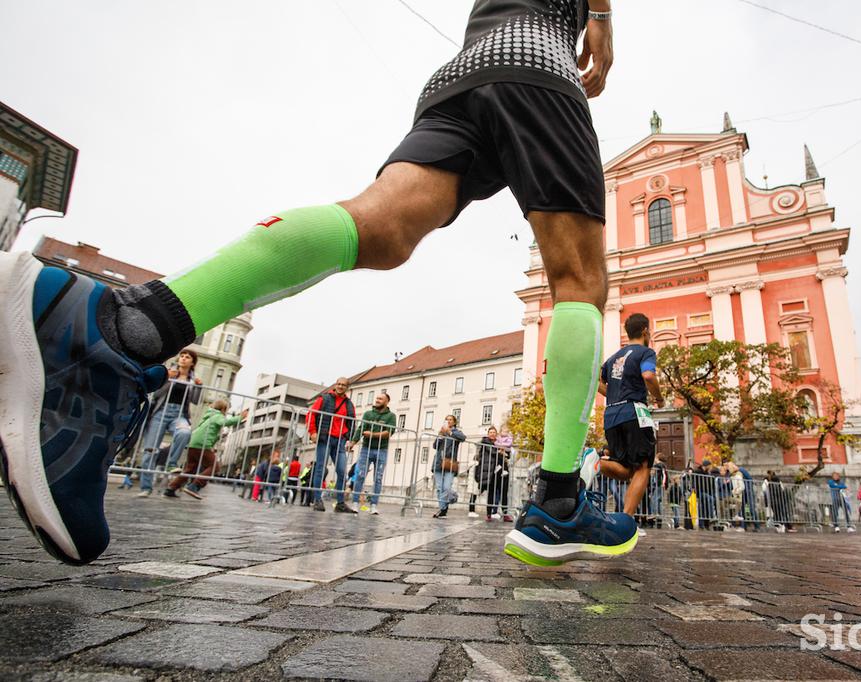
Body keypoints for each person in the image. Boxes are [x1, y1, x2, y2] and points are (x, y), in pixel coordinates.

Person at [0, 0, 627, 567]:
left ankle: (116, 323)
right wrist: (600, 22)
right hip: (539, 62)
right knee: (579, 283)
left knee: (379, 227)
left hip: (462, 72)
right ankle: (561, 500)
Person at [581, 314, 665, 522]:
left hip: (611, 416)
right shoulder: (646, 352)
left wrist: (613, 395)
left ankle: (595, 462)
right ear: (645, 330)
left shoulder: (612, 359)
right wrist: (660, 398)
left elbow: (598, 384)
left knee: (626, 470)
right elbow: (648, 375)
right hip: (635, 413)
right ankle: (627, 521)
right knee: (643, 466)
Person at [136, 349, 203, 497]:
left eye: (187, 357)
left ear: (192, 362)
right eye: (182, 356)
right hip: (161, 412)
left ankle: (172, 463)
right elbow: (156, 394)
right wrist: (165, 379)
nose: (183, 359)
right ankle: (146, 487)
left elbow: (196, 400)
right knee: (150, 450)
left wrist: (199, 386)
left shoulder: (193, 379)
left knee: (184, 432)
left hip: (179, 415)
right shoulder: (169, 373)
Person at [164, 399, 248, 499]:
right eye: (227, 410)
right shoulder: (217, 416)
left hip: (193, 444)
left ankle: (171, 488)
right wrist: (240, 417)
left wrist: (217, 438)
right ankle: (194, 486)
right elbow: (226, 422)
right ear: (223, 409)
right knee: (214, 467)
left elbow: (208, 432)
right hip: (202, 444)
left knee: (190, 469)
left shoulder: (209, 416)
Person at [306, 377, 356, 512]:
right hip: (325, 437)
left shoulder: (349, 404)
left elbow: (352, 422)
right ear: (335, 385)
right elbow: (311, 414)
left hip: (340, 440)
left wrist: (350, 438)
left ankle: (340, 503)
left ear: (347, 388)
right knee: (320, 469)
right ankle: (317, 500)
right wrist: (312, 432)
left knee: (342, 471)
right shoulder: (324, 398)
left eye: (343, 385)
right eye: (338, 384)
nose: (340, 386)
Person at [349, 392, 397, 515]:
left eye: (380, 399)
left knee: (378, 478)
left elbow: (388, 432)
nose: (377, 400)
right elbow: (361, 428)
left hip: (382, 449)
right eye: (377, 398)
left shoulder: (391, 416)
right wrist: (353, 442)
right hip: (366, 448)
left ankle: (374, 505)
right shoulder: (368, 414)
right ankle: (355, 503)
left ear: (387, 402)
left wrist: (372, 434)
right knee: (360, 475)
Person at [432, 415, 466, 518]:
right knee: (439, 487)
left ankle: (451, 500)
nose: (448, 421)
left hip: (450, 463)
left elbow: (463, 438)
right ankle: (443, 510)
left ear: (454, 422)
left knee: (447, 487)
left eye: (450, 420)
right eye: (446, 420)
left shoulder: (456, 432)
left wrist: (449, 432)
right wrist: (440, 436)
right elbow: (435, 446)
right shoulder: (441, 432)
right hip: (438, 462)